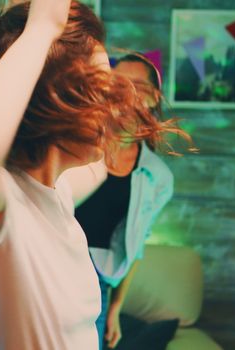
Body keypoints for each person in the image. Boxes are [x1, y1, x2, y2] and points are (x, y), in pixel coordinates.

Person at [0, 1, 179, 349]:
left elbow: (100, 169)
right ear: (54, 95)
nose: (115, 102)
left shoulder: (57, 194)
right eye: (101, 86)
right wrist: (42, 27)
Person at [68, 52, 180, 349]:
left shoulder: (157, 177)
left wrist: (115, 308)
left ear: (154, 98)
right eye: (118, 86)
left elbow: (134, 247)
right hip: (52, 266)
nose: (125, 95)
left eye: (137, 87)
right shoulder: (78, 146)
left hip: (98, 281)